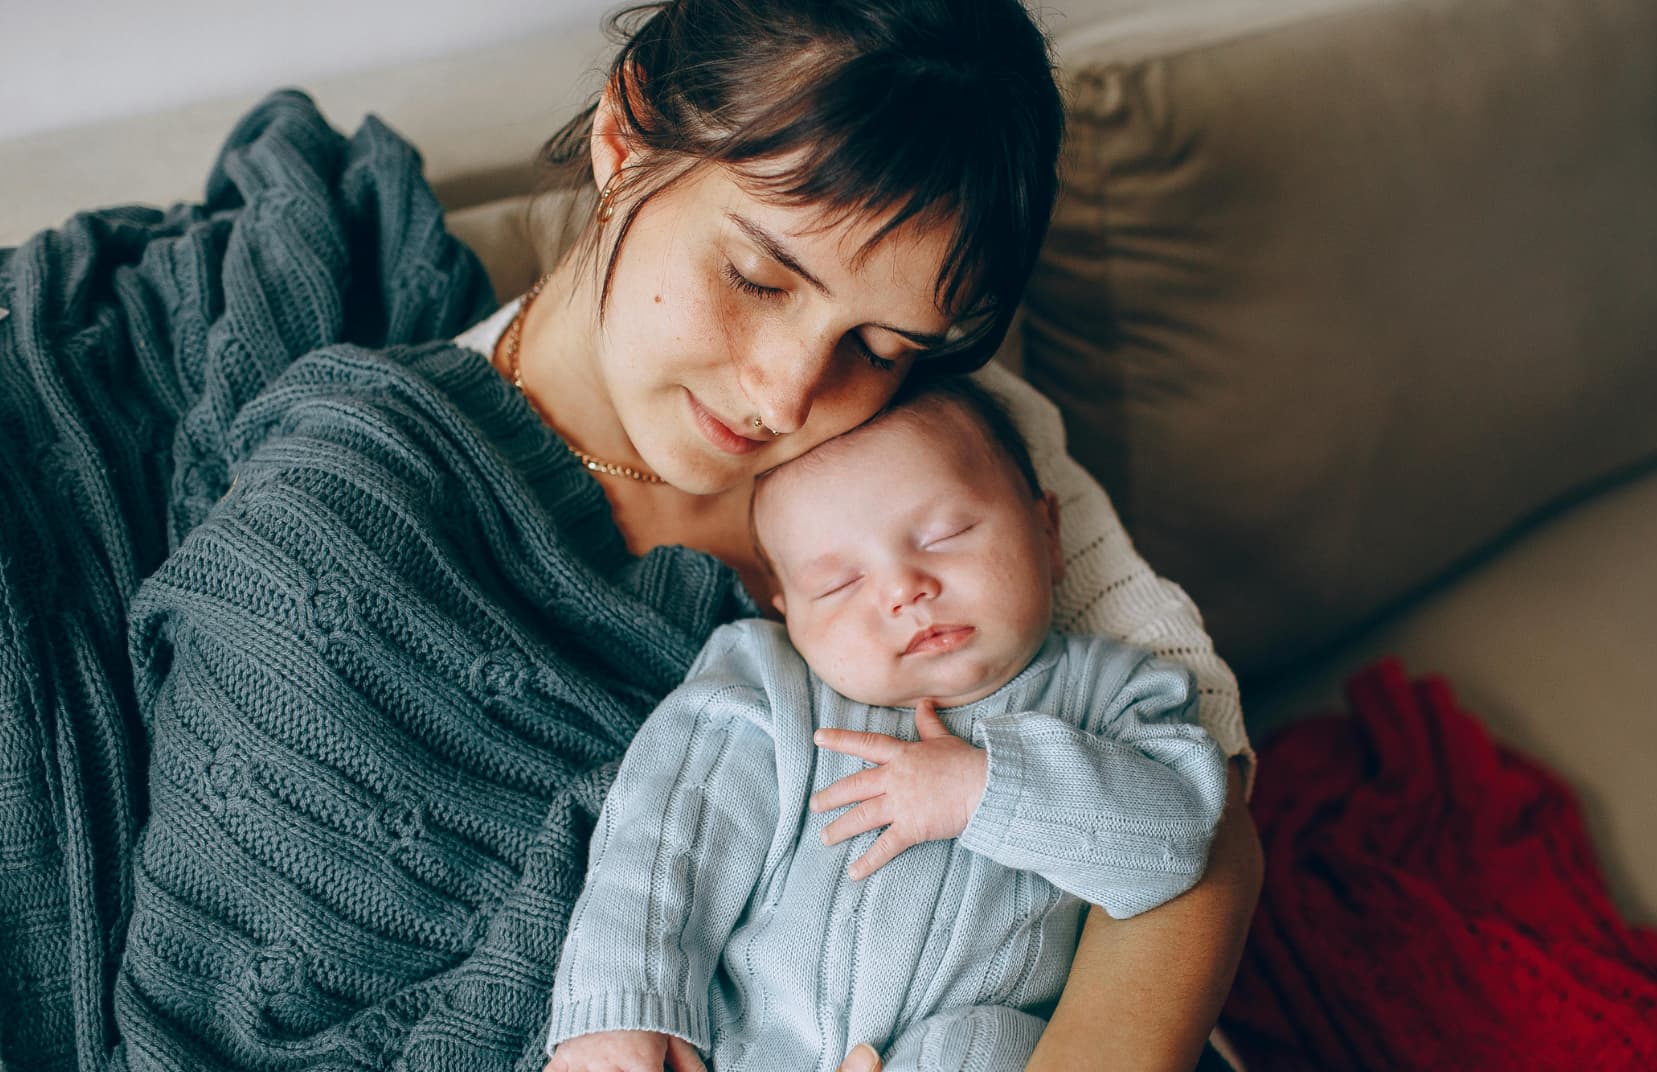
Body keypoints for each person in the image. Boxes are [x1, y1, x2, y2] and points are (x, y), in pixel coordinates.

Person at [0, 2, 1259, 1069]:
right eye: (760, 277)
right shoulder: (366, 493)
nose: (784, 396)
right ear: (626, 131)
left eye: (880, 343)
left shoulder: (939, 448)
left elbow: (1204, 833)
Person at [545, 379, 1230, 1071]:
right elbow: (663, 845)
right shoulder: (766, 684)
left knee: (981, 1048)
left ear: (1048, 534)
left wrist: (987, 789)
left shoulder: (1120, 692)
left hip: (977, 1053)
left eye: (946, 534)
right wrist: (615, 1012)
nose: (904, 589)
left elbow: (1175, 847)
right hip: (747, 1053)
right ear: (790, 612)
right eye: (838, 583)